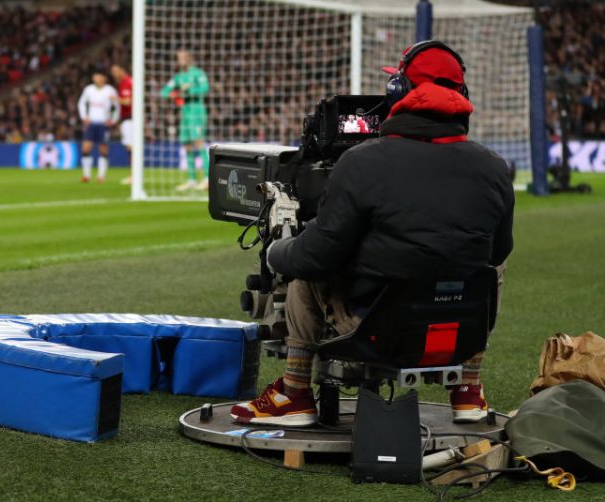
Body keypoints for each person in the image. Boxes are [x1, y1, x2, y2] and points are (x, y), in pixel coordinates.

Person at [230, 41, 515, 427]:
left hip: (375, 333)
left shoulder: (362, 162)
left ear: (399, 93)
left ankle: (294, 392)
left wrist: (277, 251)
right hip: (455, 337)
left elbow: (315, 256)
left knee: (307, 266)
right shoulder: (495, 167)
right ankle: (467, 389)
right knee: (491, 269)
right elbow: (498, 251)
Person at [160, 50, 209, 191]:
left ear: (189, 58)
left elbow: (205, 88)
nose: (181, 60)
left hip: (196, 110)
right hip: (184, 112)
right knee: (187, 145)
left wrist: (189, 90)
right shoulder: (178, 77)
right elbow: (164, 91)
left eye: (183, 57)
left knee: (199, 142)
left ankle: (207, 179)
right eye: (178, 58)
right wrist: (174, 94)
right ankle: (192, 179)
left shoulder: (198, 74)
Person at [77, 71, 119, 183]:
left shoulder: (110, 90)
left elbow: (116, 106)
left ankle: (101, 176)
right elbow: (81, 103)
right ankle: (86, 175)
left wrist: (113, 120)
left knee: (103, 149)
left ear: (104, 78)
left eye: (100, 76)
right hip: (91, 123)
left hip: (103, 124)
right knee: (86, 148)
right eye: (96, 76)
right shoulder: (89, 89)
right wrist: (84, 117)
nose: (98, 78)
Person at [111, 64, 133, 185]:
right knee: (130, 147)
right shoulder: (126, 82)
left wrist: (114, 99)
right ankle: (133, 174)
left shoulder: (127, 82)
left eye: (115, 71)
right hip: (128, 118)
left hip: (130, 118)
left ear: (122, 70)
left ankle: (134, 175)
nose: (114, 74)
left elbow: (127, 101)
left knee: (131, 148)